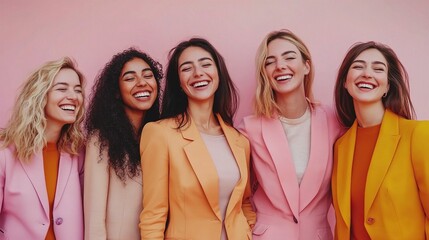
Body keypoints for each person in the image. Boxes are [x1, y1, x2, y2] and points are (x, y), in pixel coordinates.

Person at [139, 38, 256, 239]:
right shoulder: (160, 134)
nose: (198, 73)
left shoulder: (240, 141)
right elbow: (153, 216)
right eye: (187, 68)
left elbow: (244, 203)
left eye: (205, 64)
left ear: (218, 73)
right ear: (179, 83)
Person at [238, 29, 342, 240]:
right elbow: (237, 193)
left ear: (306, 66)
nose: (280, 66)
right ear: (264, 73)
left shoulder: (335, 122)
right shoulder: (249, 129)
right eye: (270, 62)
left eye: (289, 57)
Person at [332, 41, 429, 239]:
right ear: (345, 81)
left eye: (378, 69)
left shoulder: (418, 134)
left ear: (387, 86)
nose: (367, 73)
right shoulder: (340, 147)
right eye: (358, 66)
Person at [0, 57, 85, 239]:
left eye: (78, 90)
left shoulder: (80, 153)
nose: (73, 96)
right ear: (39, 95)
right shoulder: (5, 153)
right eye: (62, 88)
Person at [84, 48, 162, 240]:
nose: (142, 83)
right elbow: (94, 219)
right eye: (129, 78)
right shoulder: (101, 139)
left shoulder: (162, 134)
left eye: (147, 76)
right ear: (116, 92)